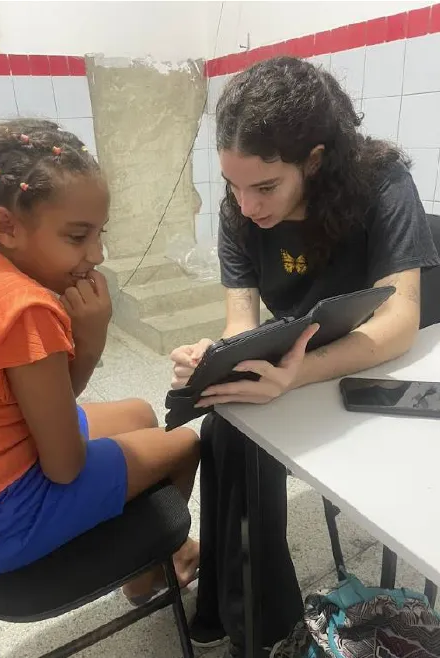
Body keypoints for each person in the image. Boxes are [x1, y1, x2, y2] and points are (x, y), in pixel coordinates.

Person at [170, 56, 440, 657]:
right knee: (227, 429)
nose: (247, 206)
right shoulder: (240, 211)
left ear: (315, 160)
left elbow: (399, 321)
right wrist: (217, 356)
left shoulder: (381, 182)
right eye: (233, 185)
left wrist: (297, 375)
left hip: (390, 358)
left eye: (265, 187)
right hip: (310, 353)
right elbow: (242, 324)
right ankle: (252, 617)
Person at [0, 119, 199, 602]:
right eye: (77, 237)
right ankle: (146, 578)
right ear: (6, 226)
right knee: (185, 443)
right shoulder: (24, 308)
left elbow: (45, 405)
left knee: (138, 415)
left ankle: (158, 546)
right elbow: (64, 466)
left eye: (99, 234)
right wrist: (91, 337)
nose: (97, 254)